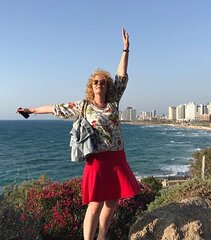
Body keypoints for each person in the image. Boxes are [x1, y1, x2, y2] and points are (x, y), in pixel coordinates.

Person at [17, 28, 140, 240]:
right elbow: (56, 108)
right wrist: (32, 110)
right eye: (96, 82)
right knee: (95, 203)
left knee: (112, 201)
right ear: (91, 86)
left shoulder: (113, 101)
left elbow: (121, 75)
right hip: (97, 159)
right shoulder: (83, 106)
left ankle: (102, 236)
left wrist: (125, 49)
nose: (100, 84)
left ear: (107, 85)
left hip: (117, 156)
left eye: (103, 81)